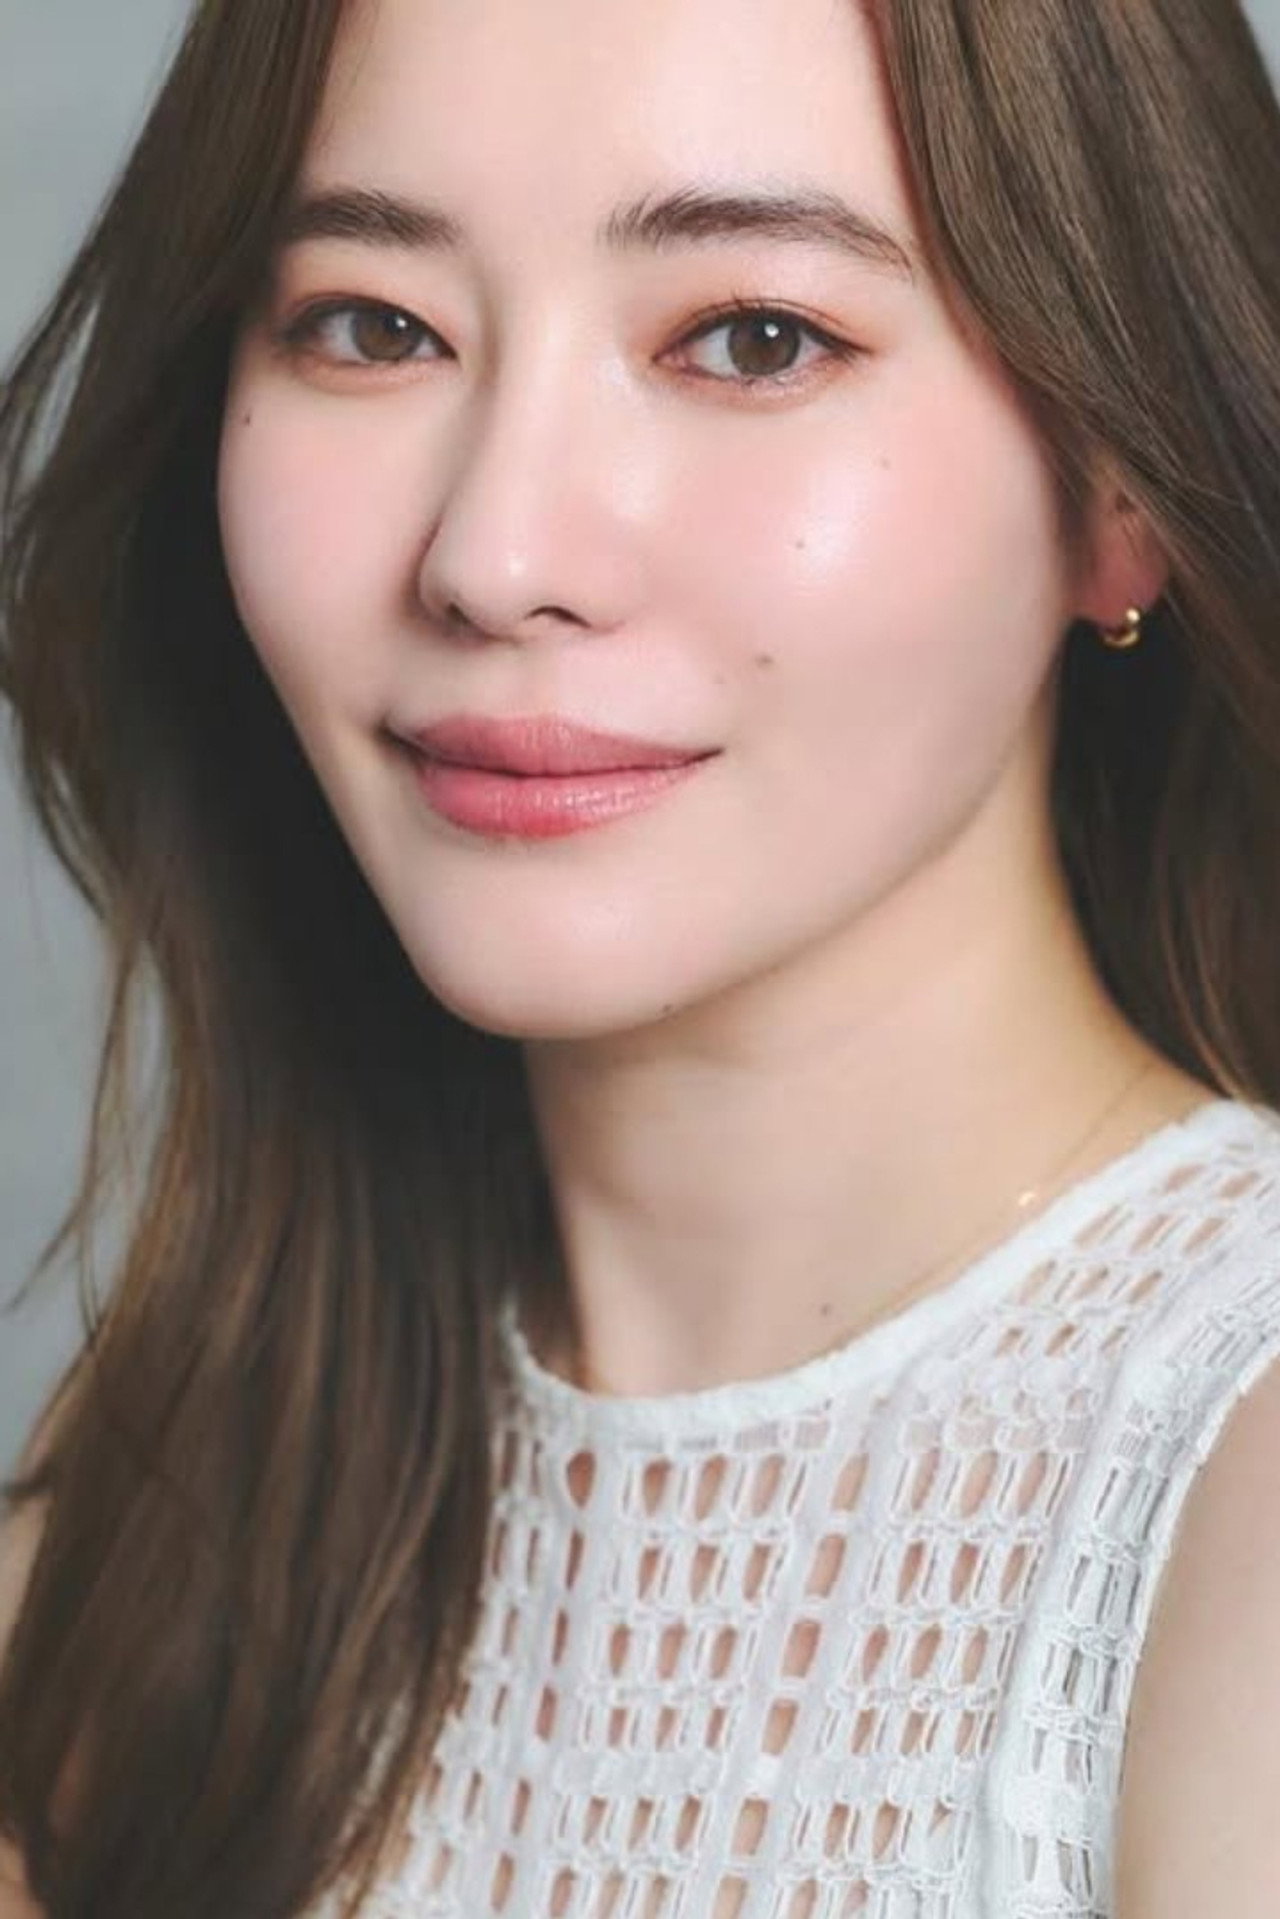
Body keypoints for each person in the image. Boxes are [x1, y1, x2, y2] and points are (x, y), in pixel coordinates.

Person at [2, 0, 1280, 1910]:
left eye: (753, 339)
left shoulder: (1230, 1500)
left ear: (1120, 490)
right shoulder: (162, 1514)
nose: (496, 555)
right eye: (374, 326)